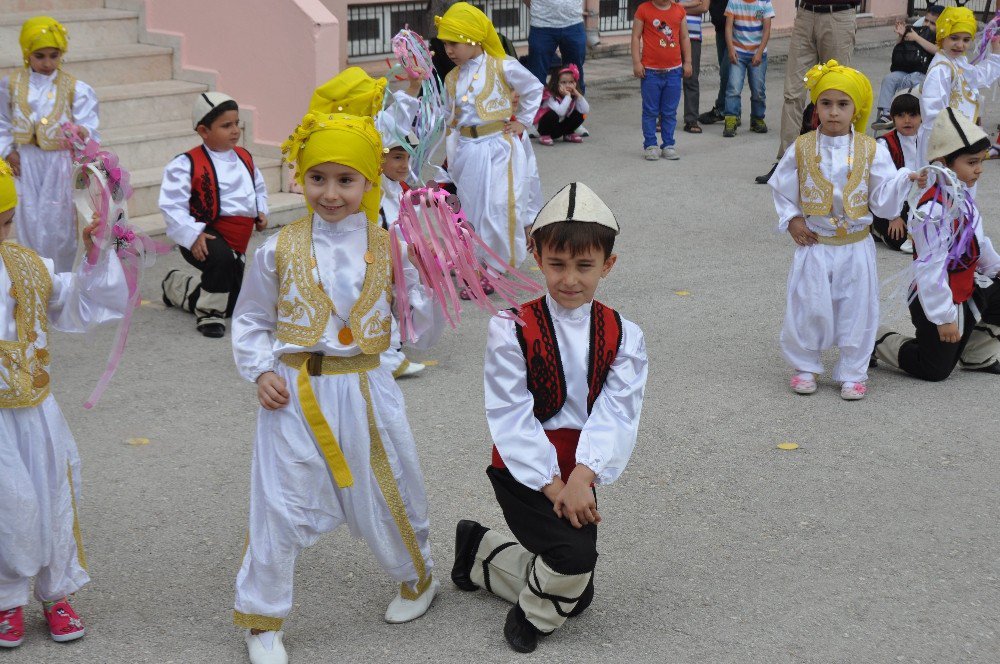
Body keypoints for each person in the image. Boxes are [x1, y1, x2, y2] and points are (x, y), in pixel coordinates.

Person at [231, 113, 444, 664]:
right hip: (295, 392)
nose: (330, 193)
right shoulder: (275, 250)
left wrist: (428, 272)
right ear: (299, 177)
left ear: (370, 182)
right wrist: (262, 371)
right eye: (317, 177)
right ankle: (263, 619)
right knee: (277, 505)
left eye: (345, 180)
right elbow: (252, 320)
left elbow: (422, 324)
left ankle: (416, 578)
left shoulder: (391, 246)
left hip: (368, 390)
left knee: (388, 487)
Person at [450, 182, 647, 654]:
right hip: (523, 467)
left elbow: (618, 410)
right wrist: (553, 483)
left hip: (581, 466)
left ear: (608, 265)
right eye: (556, 264)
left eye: (585, 266)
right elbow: (509, 412)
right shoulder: (510, 326)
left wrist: (582, 477)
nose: (570, 280)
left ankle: (476, 551)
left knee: (576, 593)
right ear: (536, 255)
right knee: (572, 562)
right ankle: (532, 617)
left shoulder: (625, 334)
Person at [0, 157, 128, 648]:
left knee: (51, 494)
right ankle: (7, 596)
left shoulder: (29, 266)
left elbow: (81, 301)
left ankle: (57, 593)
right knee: (7, 503)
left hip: (35, 411)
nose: (1, 234)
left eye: (6, 223)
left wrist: (97, 253)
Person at [768, 61, 921, 400]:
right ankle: (806, 365)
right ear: (816, 106)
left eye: (842, 104)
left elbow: (882, 201)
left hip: (855, 245)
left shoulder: (871, 149)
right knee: (809, 304)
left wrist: (902, 180)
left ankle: (853, 369)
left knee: (857, 307)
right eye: (826, 103)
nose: (833, 112)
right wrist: (792, 219)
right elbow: (782, 187)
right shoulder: (803, 147)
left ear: (857, 109)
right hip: (816, 244)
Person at [873, 109, 1000, 380]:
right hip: (935, 297)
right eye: (972, 162)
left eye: (982, 162)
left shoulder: (962, 195)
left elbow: (980, 243)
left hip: (966, 285)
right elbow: (930, 269)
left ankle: (977, 353)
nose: (979, 169)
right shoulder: (932, 209)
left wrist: (997, 269)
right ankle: (876, 339)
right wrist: (944, 319)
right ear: (944, 163)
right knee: (935, 369)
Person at [436, 2, 543, 280]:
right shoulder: (452, 78)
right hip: (468, 153)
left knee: (498, 206)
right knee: (473, 209)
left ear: (474, 38)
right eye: (445, 43)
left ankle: (495, 268)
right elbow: (450, 120)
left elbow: (534, 88)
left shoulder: (501, 66)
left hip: (499, 148)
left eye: (455, 43)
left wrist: (523, 121)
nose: (449, 50)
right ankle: (475, 261)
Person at [159, 93, 269, 338]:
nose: (235, 131)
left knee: (231, 301)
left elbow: (258, 187)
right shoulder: (186, 164)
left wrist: (261, 210)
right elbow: (171, 205)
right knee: (219, 262)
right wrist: (193, 234)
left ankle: (175, 286)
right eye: (226, 125)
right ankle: (208, 313)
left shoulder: (245, 157)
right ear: (203, 130)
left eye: (237, 123)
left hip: (238, 239)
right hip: (205, 234)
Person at [0, 16, 100, 272]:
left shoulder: (75, 88)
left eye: (54, 56)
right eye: (40, 56)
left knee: (59, 222)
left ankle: (60, 277)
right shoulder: (10, 86)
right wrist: (8, 151)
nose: (47, 63)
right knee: (28, 219)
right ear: (27, 54)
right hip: (26, 162)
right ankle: (32, 276)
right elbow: (2, 122)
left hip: (60, 163)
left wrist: (80, 132)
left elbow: (90, 126)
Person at [755, 0, 858, 184]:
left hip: (839, 15)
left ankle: (836, 165)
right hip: (805, 14)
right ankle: (787, 163)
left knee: (837, 92)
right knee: (793, 93)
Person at [918, 6, 1000, 166]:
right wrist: (947, 148)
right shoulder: (940, 69)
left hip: (961, 138)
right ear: (942, 36)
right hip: (945, 145)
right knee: (944, 187)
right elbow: (933, 115)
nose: (960, 45)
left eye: (966, 40)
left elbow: (977, 77)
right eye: (954, 38)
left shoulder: (956, 61)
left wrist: (996, 54)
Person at [379, 136, 426, 378]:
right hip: (379, 257)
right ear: (380, 157)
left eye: (408, 158)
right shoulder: (372, 191)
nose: (404, 165)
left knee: (400, 299)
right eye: (397, 157)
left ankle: (393, 348)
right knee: (381, 301)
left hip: (401, 258)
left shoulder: (403, 190)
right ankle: (389, 356)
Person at [631, 0, 693, 161]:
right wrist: (637, 62)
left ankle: (668, 145)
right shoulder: (643, 10)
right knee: (650, 111)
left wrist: (688, 62)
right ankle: (651, 144)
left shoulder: (679, 11)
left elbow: (685, 37)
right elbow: (636, 37)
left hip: (674, 72)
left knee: (669, 112)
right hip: (650, 72)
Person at [871, 6, 941, 129]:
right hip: (908, 70)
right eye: (926, 20)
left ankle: (901, 114)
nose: (927, 25)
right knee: (889, 79)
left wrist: (917, 38)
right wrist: (901, 36)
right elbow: (899, 49)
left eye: (933, 23)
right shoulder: (917, 30)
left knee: (909, 80)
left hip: (926, 75)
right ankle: (886, 114)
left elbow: (938, 51)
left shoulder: (940, 37)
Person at [871, 91, 921, 253]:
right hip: (891, 204)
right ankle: (877, 227)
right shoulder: (884, 144)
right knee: (897, 240)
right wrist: (893, 216)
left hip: (919, 201)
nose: (907, 120)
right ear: (892, 118)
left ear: (922, 117)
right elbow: (880, 186)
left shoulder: (926, 140)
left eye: (913, 115)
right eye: (901, 115)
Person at [721, 0, 774, 137]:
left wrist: (759, 52)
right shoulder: (734, 2)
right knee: (733, 87)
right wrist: (731, 49)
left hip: (757, 54)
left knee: (758, 89)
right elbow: (728, 27)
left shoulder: (765, 3)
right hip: (738, 53)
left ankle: (757, 118)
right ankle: (731, 119)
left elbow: (767, 30)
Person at [523, 0, 588, 93]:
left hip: (574, 23)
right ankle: (539, 106)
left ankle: (575, 105)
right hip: (541, 24)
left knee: (574, 72)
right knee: (536, 75)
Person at [534, 63, 590, 145]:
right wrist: (567, 96)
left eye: (571, 82)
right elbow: (560, 112)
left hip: (560, 128)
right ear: (556, 83)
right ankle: (544, 136)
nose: (567, 85)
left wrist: (578, 94)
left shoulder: (573, 96)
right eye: (563, 82)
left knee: (581, 114)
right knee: (552, 114)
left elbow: (586, 110)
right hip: (546, 128)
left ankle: (568, 133)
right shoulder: (550, 96)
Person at [697, 0, 732, 127]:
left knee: (727, 72)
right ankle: (731, 111)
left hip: (734, 30)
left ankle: (724, 109)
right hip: (720, 29)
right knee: (726, 74)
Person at [681, 0, 709, 134]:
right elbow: (666, 6)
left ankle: (691, 119)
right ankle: (663, 118)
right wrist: (692, 5)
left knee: (691, 78)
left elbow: (704, 7)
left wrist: (680, 7)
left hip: (693, 37)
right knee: (668, 78)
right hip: (670, 36)